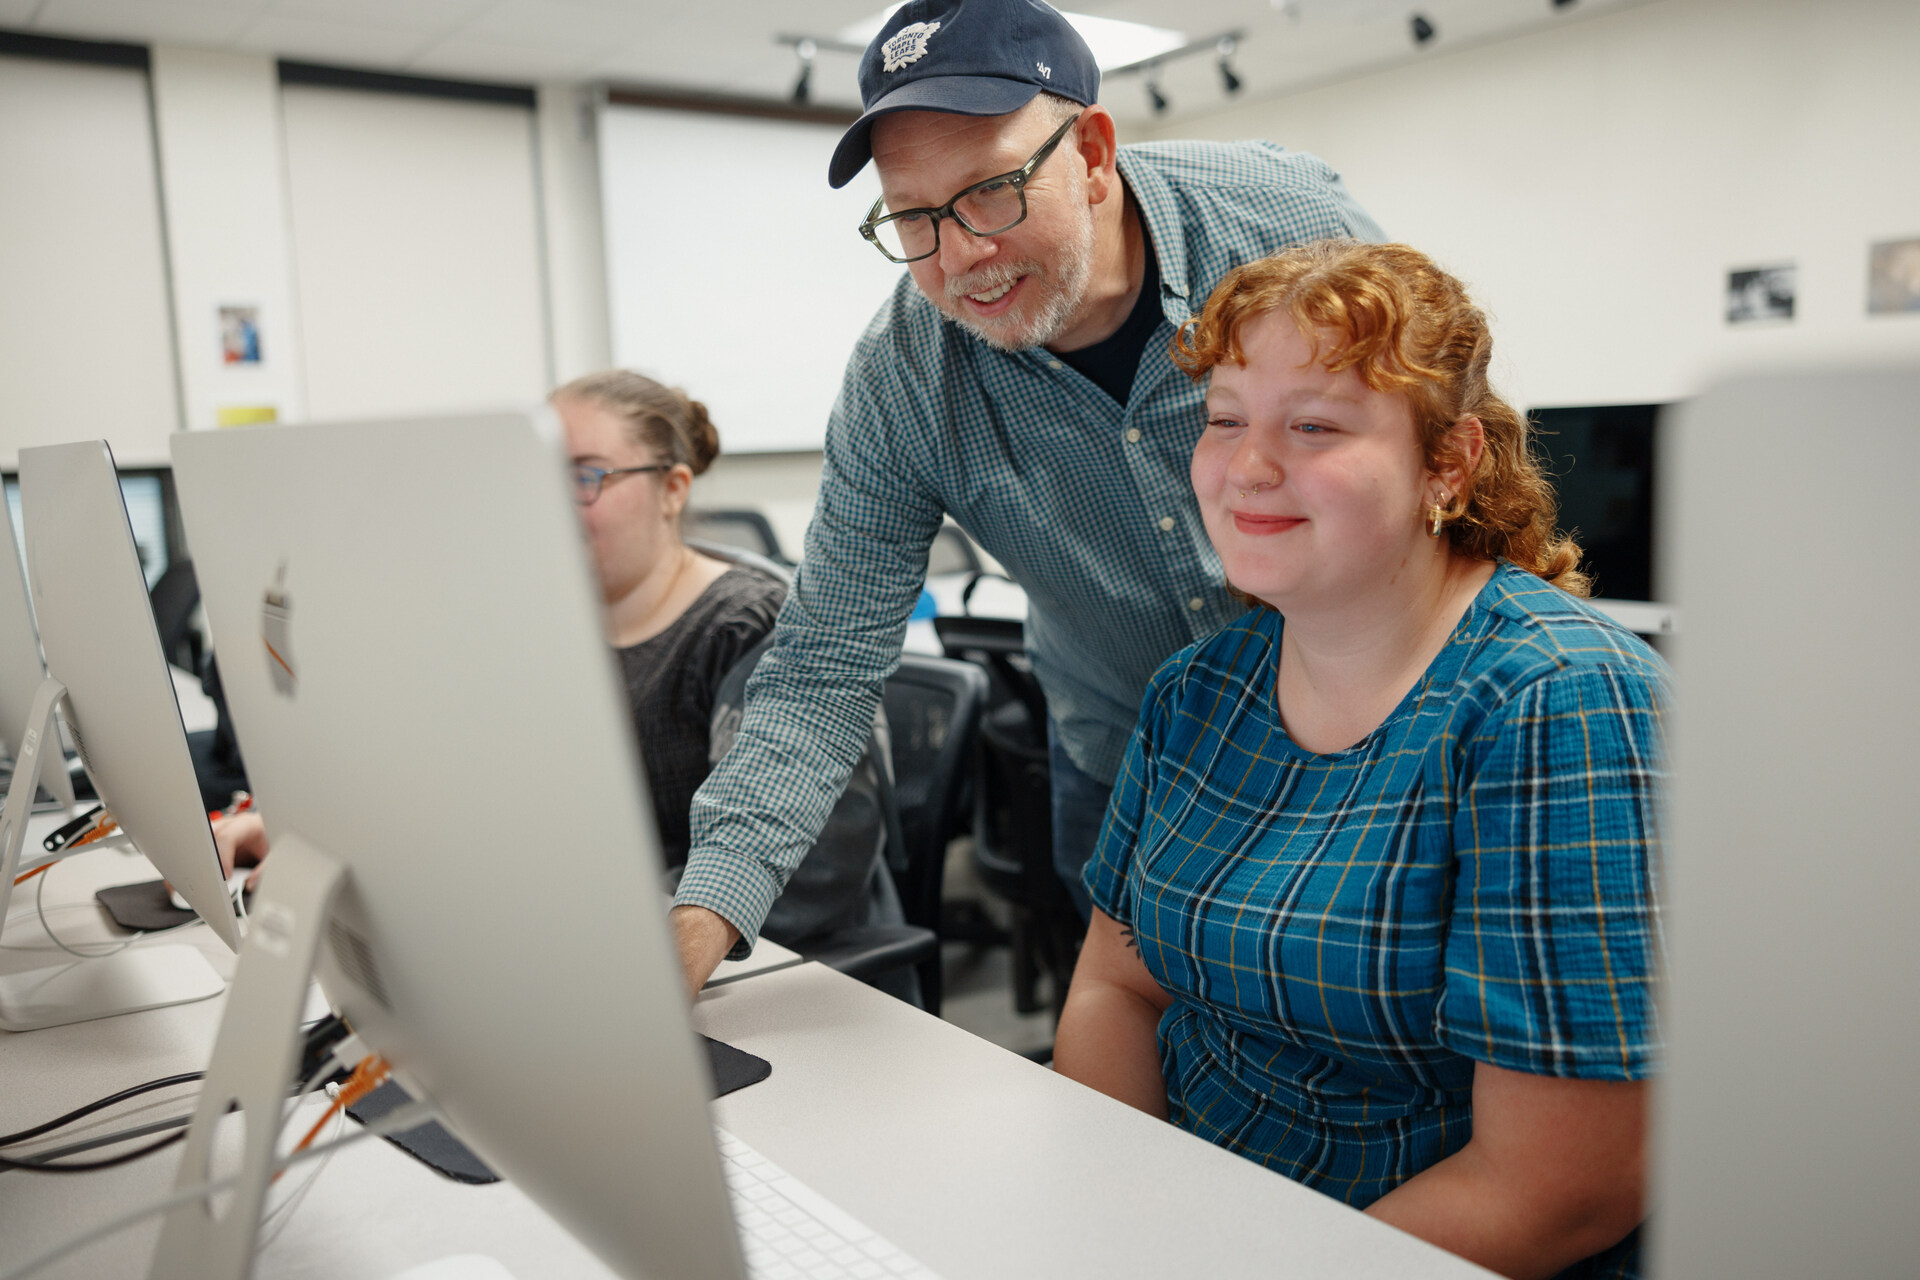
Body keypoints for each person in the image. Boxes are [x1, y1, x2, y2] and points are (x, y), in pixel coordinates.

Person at [670, 0, 1385, 992]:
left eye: (990, 192)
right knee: (1156, 1087)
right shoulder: (905, 379)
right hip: (1131, 761)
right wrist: (699, 919)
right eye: (913, 218)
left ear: (1092, 154)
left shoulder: (1282, 227)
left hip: (1379, 739)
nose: (960, 256)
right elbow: (822, 670)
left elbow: (1445, 462)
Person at [1052, 240, 1664, 1279]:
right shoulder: (1201, 687)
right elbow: (1116, 985)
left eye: (1316, 425)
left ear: (1448, 463)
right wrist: (1127, 1218)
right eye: (1226, 418)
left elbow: (1562, 1190)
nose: (1247, 466)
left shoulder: (1558, 703)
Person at [216, 371, 894, 954]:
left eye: (584, 477)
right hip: (577, 955)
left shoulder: (749, 627)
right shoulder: (543, 623)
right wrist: (302, 832)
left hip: (759, 977)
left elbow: (810, 874)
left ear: (673, 489)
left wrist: (543, 913)